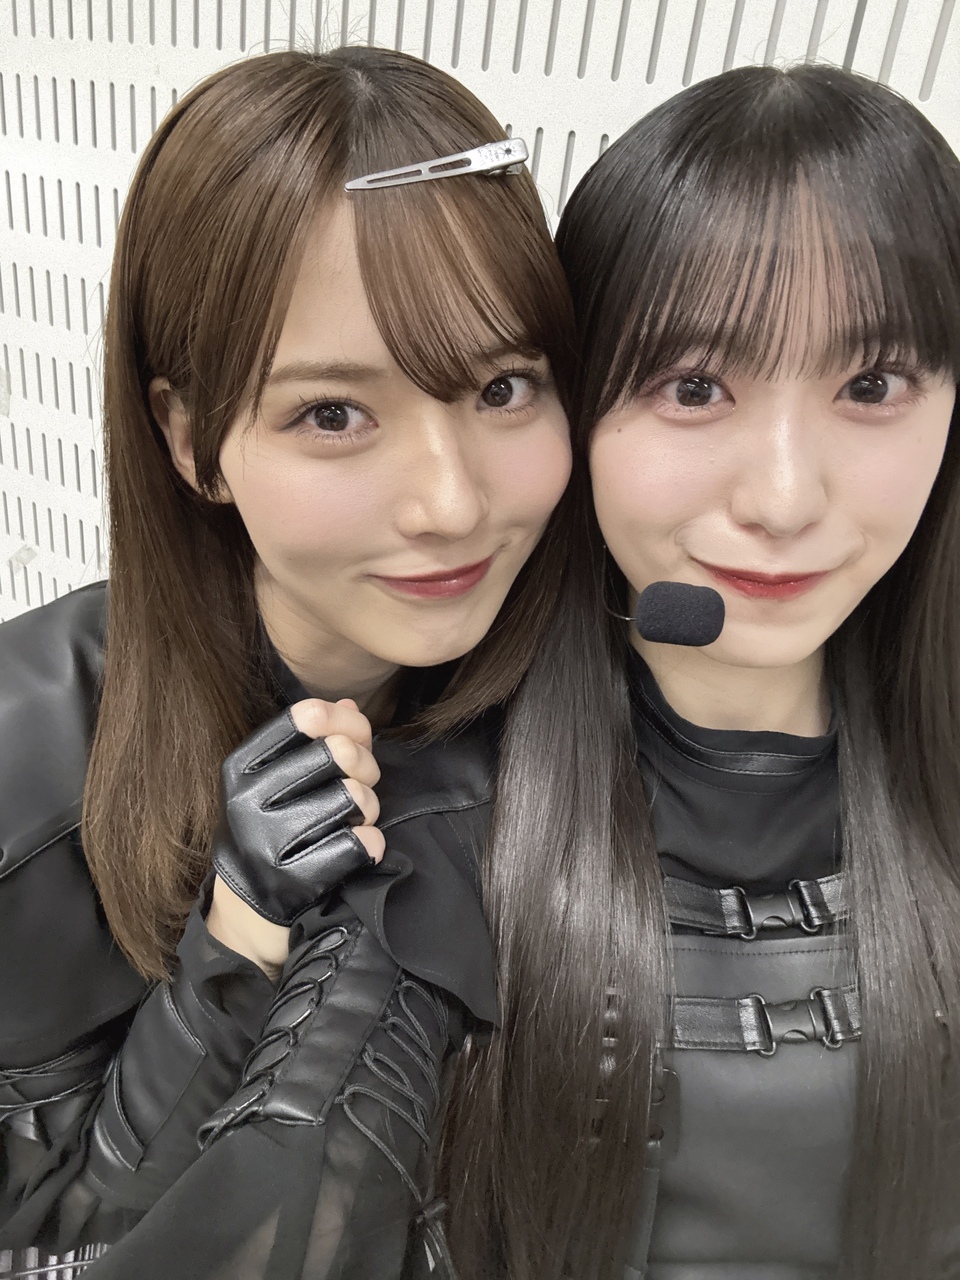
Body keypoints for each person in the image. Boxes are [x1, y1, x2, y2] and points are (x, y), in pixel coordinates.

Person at [70, 61, 960, 1280]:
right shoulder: (442, 836)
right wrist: (240, 936)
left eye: (872, 384)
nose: (784, 497)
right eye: (694, 386)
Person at [0, 45, 574, 1277]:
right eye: (333, 413)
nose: (452, 503)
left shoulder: (571, 691)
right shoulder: (25, 762)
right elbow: (56, 1217)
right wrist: (239, 931)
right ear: (190, 439)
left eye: (501, 385)